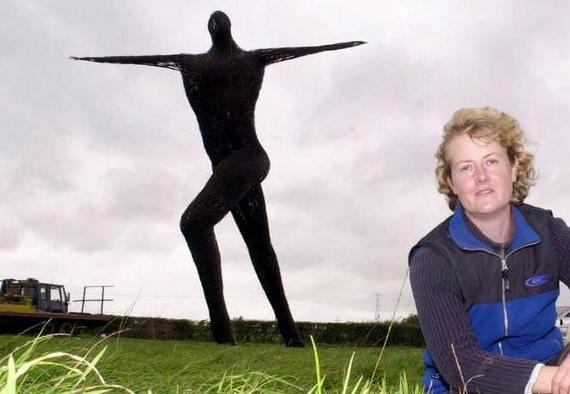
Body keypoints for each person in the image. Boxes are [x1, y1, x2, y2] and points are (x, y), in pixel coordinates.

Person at [72, 10, 365, 346]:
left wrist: (345, 44)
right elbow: (138, 59)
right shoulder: (193, 64)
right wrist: (91, 57)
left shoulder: (247, 61)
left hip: (248, 159)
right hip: (232, 166)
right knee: (260, 247)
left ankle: (223, 335)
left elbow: (305, 49)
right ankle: (292, 336)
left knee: (194, 222)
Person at [409, 107, 570, 394]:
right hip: (472, 390)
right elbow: (462, 364)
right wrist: (561, 382)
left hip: (551, 369)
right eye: (466, 167)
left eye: (492, 161)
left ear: (514, 168)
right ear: (452, 182)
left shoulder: (550, 234)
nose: (481, 177)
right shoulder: (433, 258)